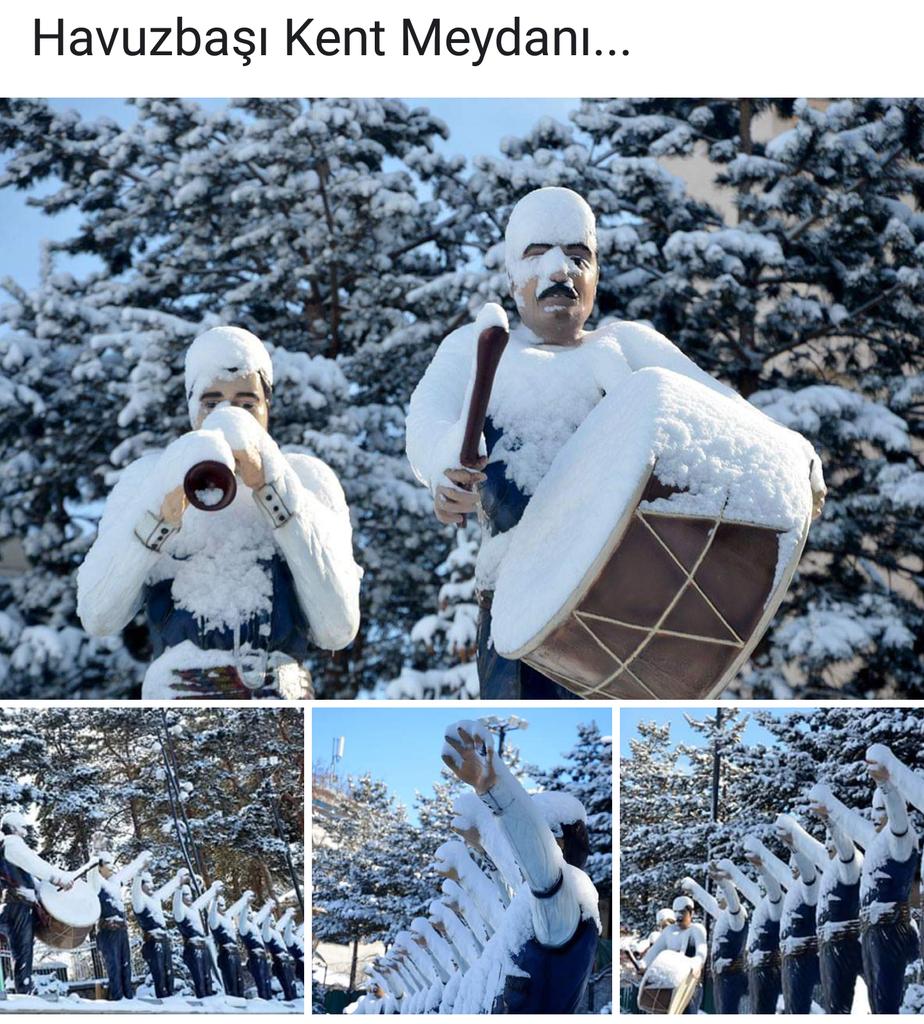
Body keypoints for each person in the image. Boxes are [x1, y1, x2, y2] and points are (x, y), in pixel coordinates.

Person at [406, 186, 827, 699]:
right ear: (513, 274)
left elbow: (727, 415)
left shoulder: (627, 347)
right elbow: (426, 425)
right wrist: (443, 468)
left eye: (578, 257)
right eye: (539, 255)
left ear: (596, 276)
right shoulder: (476, 352)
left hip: (630, 601)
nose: (561, 272)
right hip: (520, 605)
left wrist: (796, 457)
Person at [77, 325, 362, 699]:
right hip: (178, 696)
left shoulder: (306, 478)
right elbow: (99, 615)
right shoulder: (147, 479)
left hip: (281, 698)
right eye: (212, 403)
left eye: (246, 404)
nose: (229, 414)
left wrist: (273, 488)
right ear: (192, 406)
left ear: (267, 408)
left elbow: (338, 627)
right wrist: (160, 516)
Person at [441, 719, 600, 1014]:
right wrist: (485, 843)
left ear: (558, 845)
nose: (519, 846)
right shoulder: (543, 906)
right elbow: (520, 873)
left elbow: (536, 859)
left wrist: (494, 788)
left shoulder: (563, 901)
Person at [857, 745, 919, 1014]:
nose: (875, 816)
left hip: (892, 930)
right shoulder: (876, 844)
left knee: (889, 999)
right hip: (872, 932)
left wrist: (886, 785)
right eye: (873, 810)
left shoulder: (901, 838)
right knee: (877, 999)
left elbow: (897, 816)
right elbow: (849, 824)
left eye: (880, 809)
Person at [808, 783, 869, 1014]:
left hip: (847, 946)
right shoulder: (830, 871)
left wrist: (830, 820)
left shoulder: (850, 861)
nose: (826, 845)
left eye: (830, 839)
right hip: (828, 947)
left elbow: (844, 848)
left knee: (844, 1004)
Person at [0, 811, 75, 994]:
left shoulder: (5, 848)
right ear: (14, 828)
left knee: (19, 948)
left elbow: (31, 876)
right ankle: (24, 988)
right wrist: (59, 878)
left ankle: (23, 987)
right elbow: (35, 864)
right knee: (23, 949)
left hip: (8, 903)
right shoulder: (12, 843)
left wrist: (44, 888)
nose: (25, 830)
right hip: (18, 903)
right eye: (22, 827)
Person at [683, 867, 749, 1014]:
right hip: (722, 976)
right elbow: (711, 904)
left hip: (732, 977)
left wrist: (725, 885)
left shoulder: (736, 917)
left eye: (722, 894)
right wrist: (694, 889)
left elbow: (733, 905)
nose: (718, 898)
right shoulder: (724, 916)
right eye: (717, 893)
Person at [88, 847, 151, 1001]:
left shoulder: (115, 882)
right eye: (107, 863)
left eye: (112, 862)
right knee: (114, 966)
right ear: (100, 867)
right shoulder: (98, 883)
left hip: (122, 931)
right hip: (107, 931)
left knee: (126, 965)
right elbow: (91, 875)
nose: (112, 866)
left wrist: (141, 861)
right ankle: (117, 998)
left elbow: (128, 871)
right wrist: (95, 853)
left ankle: (128, 997)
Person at [774, 816, 822, 1013]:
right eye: (790, 865)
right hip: (789, 960)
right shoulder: (793, 891)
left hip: (806, 961)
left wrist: (795, 846)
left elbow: (808, 873)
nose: (793, 869)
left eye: (797, 864)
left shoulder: (811, 886)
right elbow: (777, 872)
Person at [741, 837, 788, 1014]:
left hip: (771, 969)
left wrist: (762, 868)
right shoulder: (761, 906)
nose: (761, 891)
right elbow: (745, 887)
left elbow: (774, 892)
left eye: (765, 887)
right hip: (756, 967)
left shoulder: (777, 902)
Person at [642, 895, 708, 1015]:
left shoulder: (696, 930)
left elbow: (701, 951)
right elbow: (654, 950)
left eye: (682, 912)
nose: (678, 916)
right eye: (676, 912)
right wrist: (643, 963)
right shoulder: (669, 931)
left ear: (691, 912)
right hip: (670, 985)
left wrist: (697, 962)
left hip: (690, 985)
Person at [131, 865, 188, 998]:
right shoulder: (139, 901)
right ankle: (163, 997)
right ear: (141, 885)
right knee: (160, 974)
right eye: (148, 882)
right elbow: (135, 894)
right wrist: (138, 874)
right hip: (152, 941)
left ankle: (170, 997)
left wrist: (178, 879)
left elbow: (167, 889)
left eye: (152, 881)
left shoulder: (155, 899)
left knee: (169, 972)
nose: (152, 885)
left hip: (163, 940)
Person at [172, 879, 223, 998]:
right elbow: (177, 905)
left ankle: (210, 996)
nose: (189, 897)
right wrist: (179, 888)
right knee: (199, 977)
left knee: (207, 976)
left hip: (203, 947)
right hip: (193, 948)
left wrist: (214, 891)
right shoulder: (180, 911)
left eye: (189, 894)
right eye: (185, 895)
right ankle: (203, 998)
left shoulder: (194, 908)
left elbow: (203, 900)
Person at [208, 888, 253, 997]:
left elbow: (235, 908)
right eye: (220, 905)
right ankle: (232, 997)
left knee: (239, 981)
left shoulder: (227, 917)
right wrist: (214, 899)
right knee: (230, 980)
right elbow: (212, 914)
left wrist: (245, 900)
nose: (223, 907)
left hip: (235, 953)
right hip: (226, 953)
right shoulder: (214, 919)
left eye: (224, 905)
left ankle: (240, 997)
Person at [239, 896, 276, 1000]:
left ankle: (269, 998)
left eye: (251, 913)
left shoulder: (254, 925)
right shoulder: (243, 926)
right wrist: (246, 906)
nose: (250, 915)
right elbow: (242, 919)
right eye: (248, 913)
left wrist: (268, 909)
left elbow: (260, 917)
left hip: (263, 956)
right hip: (255, 956)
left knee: (266, 979)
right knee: (260, 980)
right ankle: (264, 998)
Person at [263, 905, 298, 1001]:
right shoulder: (267, 932)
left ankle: (294, 997)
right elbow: (266, 930)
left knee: (291, 982)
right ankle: (290, 998)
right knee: (286, 982)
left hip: (285, 960)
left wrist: (289, 917)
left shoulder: (276, 931)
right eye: (271, 920)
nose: (273, 922)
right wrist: (268, 915)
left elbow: (281, 924)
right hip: (279, 960)